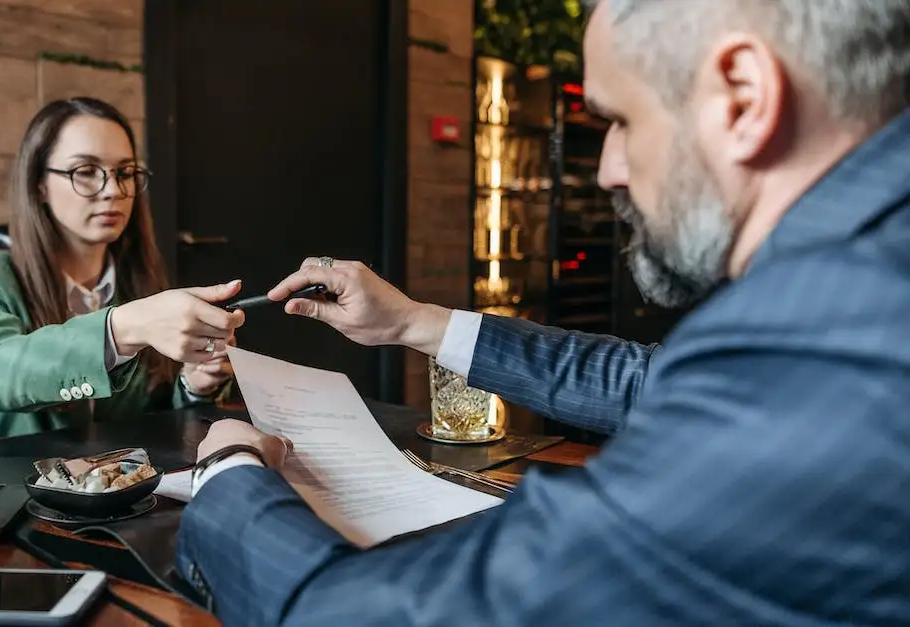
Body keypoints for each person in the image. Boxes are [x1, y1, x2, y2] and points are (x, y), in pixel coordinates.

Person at [175, 1, 910, 624]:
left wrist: (230, 474)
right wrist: (412, 323)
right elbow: (647, 382)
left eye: (620, 120)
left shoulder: (829, 359)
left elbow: (363, 616)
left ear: (742, 96)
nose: (608, 167)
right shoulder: (859, 283)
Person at [0, 98, 245, 440]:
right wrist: (123, 328)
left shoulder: (140, 278)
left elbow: (152, 415)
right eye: (86, 171)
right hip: (17, 472)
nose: (113, 190)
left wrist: (193, 385)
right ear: (39, 184)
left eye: (125, 173)